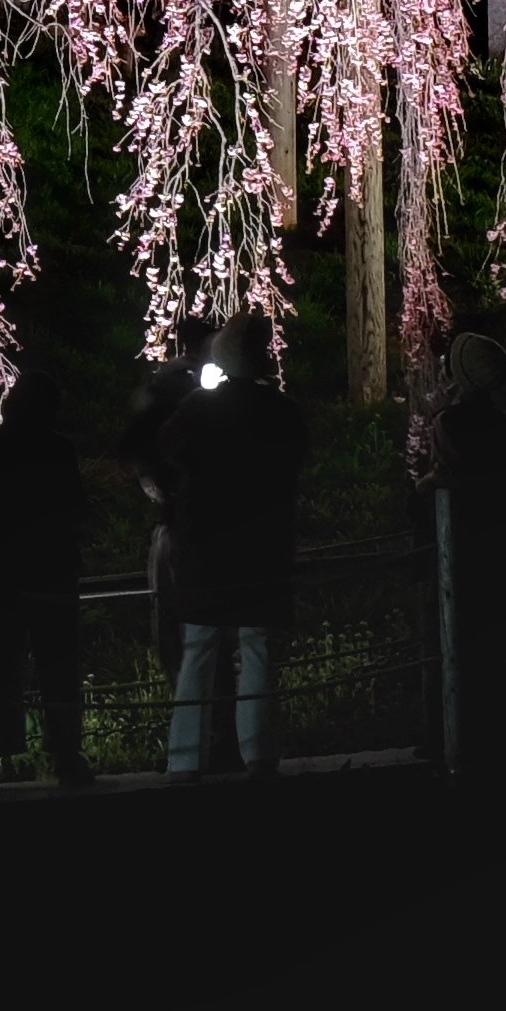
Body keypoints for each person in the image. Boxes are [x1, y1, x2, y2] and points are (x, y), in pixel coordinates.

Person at [135, 312, 301, 774]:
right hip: (263, 545)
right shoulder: (283, 411)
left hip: (205, 545)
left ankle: (185, 760)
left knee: (199, 651)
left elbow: (165, 451)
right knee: (257, 649)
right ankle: (260, 754)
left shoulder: (196, 410)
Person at [0, 363, 92, 788]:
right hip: (53, 571)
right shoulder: (59, 450)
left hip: (3, 575)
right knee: (58, 666)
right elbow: (77, 510)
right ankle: (65, 755)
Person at [423, 294, 506, 767]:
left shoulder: (449, 423)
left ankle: (451, 735)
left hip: (465, 543)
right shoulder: (503, 422)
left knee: (459, 643)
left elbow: (447, 476)